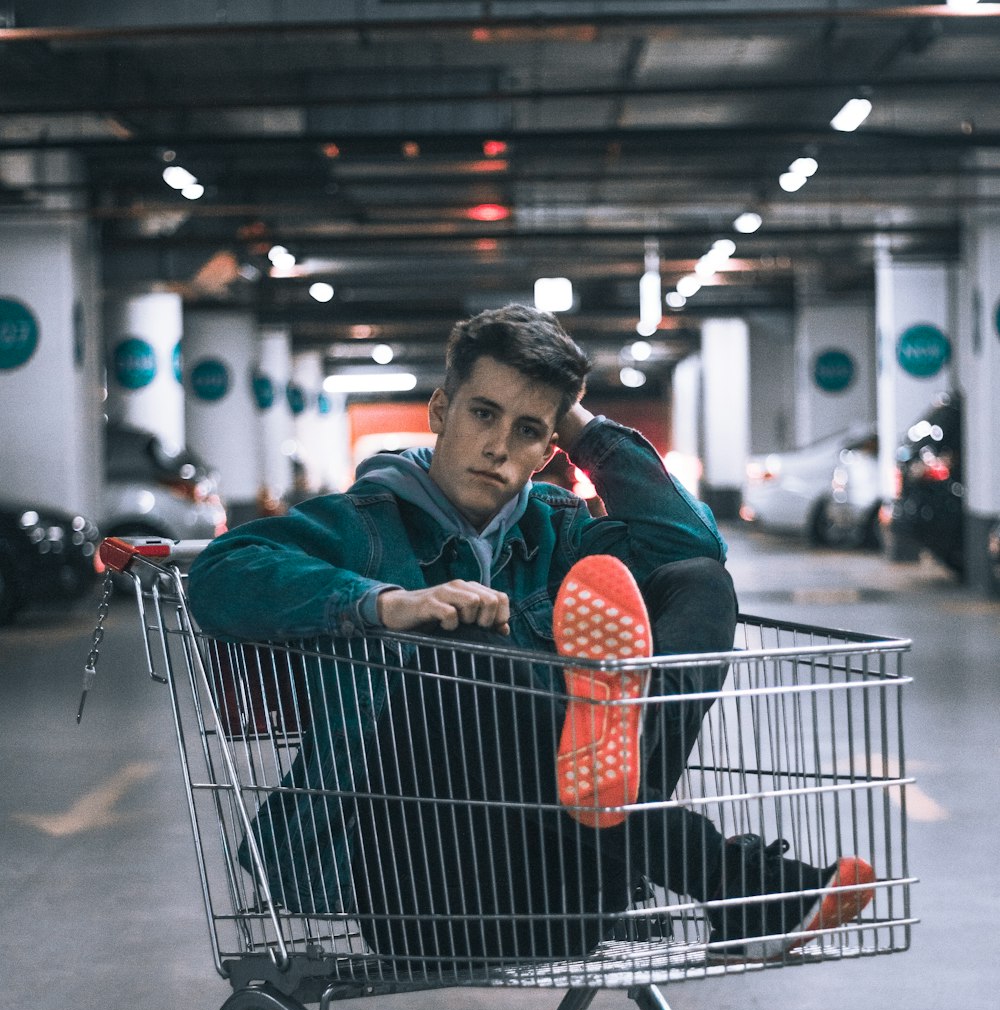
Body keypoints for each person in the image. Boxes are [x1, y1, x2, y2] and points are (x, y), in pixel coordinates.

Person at [187, 304, 872, 967]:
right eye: (483, 413)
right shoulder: (363, 525)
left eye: (526, 430)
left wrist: (579, 426)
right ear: (439, 412)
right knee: (468, 651)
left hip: (567, 889)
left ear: (548, 449)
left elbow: (690, 543)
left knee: (695, 582)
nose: (497, 447)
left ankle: (633, 799)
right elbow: (220, 574)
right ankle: (730, 881)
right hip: (423, 889)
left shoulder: (560, 529)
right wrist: (387, 604)